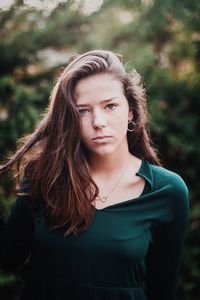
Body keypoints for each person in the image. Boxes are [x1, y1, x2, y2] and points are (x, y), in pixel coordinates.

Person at [0, 49, 189, 300]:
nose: (98, 121)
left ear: (131, 110)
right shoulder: (45, 177)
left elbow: (162, 291)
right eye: (83, 111)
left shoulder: (167, 191)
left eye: (110, 106)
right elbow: (7, 257)